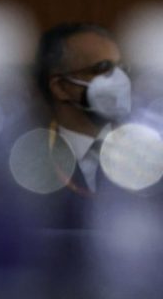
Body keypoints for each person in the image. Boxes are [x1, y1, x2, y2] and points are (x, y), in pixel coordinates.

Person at [34, 22, 131, 196]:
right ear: (61, 87)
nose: (120, 79)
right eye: (103, 68)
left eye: (122, 68)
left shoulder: (148, 150)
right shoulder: (29, 162)